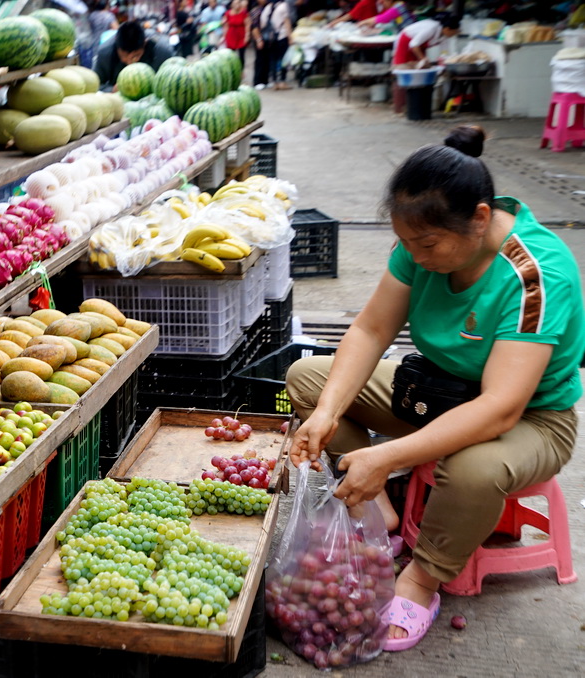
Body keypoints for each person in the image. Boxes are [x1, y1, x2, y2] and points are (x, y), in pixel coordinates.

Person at [286, 125, 584, 652]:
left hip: (529, 418)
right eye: (404, 243)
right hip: (437, 391)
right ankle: (381, 514)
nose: (415, 257)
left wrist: (389, 454)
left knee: (474, 467)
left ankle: (423, 577)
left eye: (426, 245)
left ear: (481, 220)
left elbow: (499, 409)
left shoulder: (535, 276)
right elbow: (372, 329)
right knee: (309, 381)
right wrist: (328, 413)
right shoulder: (420, 242)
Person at [93, 20, 176, 89]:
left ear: (144, 43)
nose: (130, 62)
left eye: (136, 56)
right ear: (116, 46)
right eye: (124, 56)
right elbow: (95, 85)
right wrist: (111, 90)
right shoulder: (105, 53)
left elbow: (173, 83)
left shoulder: (163, 52)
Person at [253, 0, 292, 90]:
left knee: (273, 60)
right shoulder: (283, 6)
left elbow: (263, 22)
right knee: (283, 60)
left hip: (272, 38)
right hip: (282, 36)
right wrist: (290, 38)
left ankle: (275, 82)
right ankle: (282, 81)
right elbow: (287, 22)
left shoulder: (268, 7)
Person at [86, 0, 119, 68]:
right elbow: (116, 29)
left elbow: (88, 28)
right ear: (106, 6)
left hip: (94, 44)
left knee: (96, 63)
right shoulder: (109, 15)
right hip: (105, 44)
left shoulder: (92, 15)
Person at [224, 0, 251, 74]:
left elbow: (247, 24)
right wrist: (224, 37)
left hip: (241, 35)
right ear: (232, 5)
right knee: (230, 54)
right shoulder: (228, 13)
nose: (237, 5)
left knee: (242, 54)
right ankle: (231, 70)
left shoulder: (244, 13)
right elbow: (226, 26)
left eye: (238, 3)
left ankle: (241, 71)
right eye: (235, 3)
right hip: (231, 35)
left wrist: (247, 35)